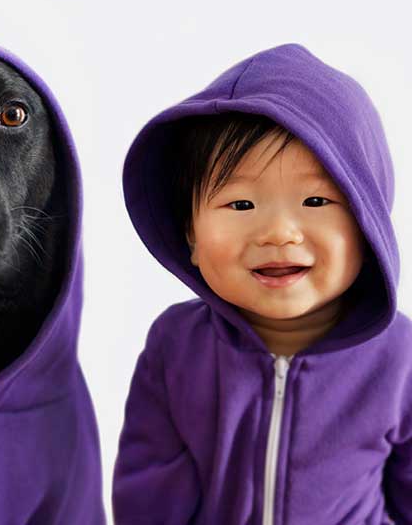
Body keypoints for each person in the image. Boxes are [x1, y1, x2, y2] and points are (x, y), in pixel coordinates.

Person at [112, 43, 411, 524]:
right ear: (190, 233)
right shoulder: (175, 349)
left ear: (367, 220)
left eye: (315, 201)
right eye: (241, 205)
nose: (277, 232)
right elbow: (148, 502)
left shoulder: (400, 359)